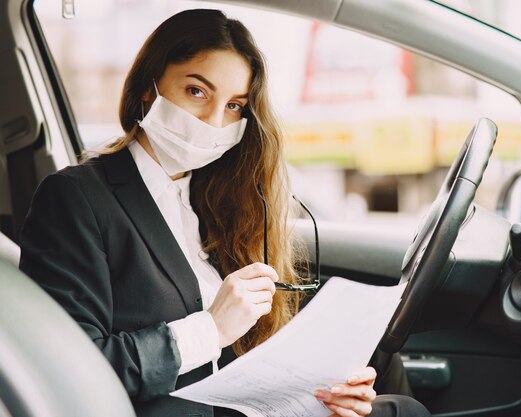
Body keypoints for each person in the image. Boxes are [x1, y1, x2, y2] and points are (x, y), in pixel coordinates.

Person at [19, 9, 430, 417]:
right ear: (150, 86)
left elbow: (238, 361)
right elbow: (71, 369)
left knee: (384, 387)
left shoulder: (218, 199)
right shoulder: (77, 197)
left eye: (234, 106)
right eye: (197, 91)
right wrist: (210, 329)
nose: (214, 123)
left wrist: (320, 392)